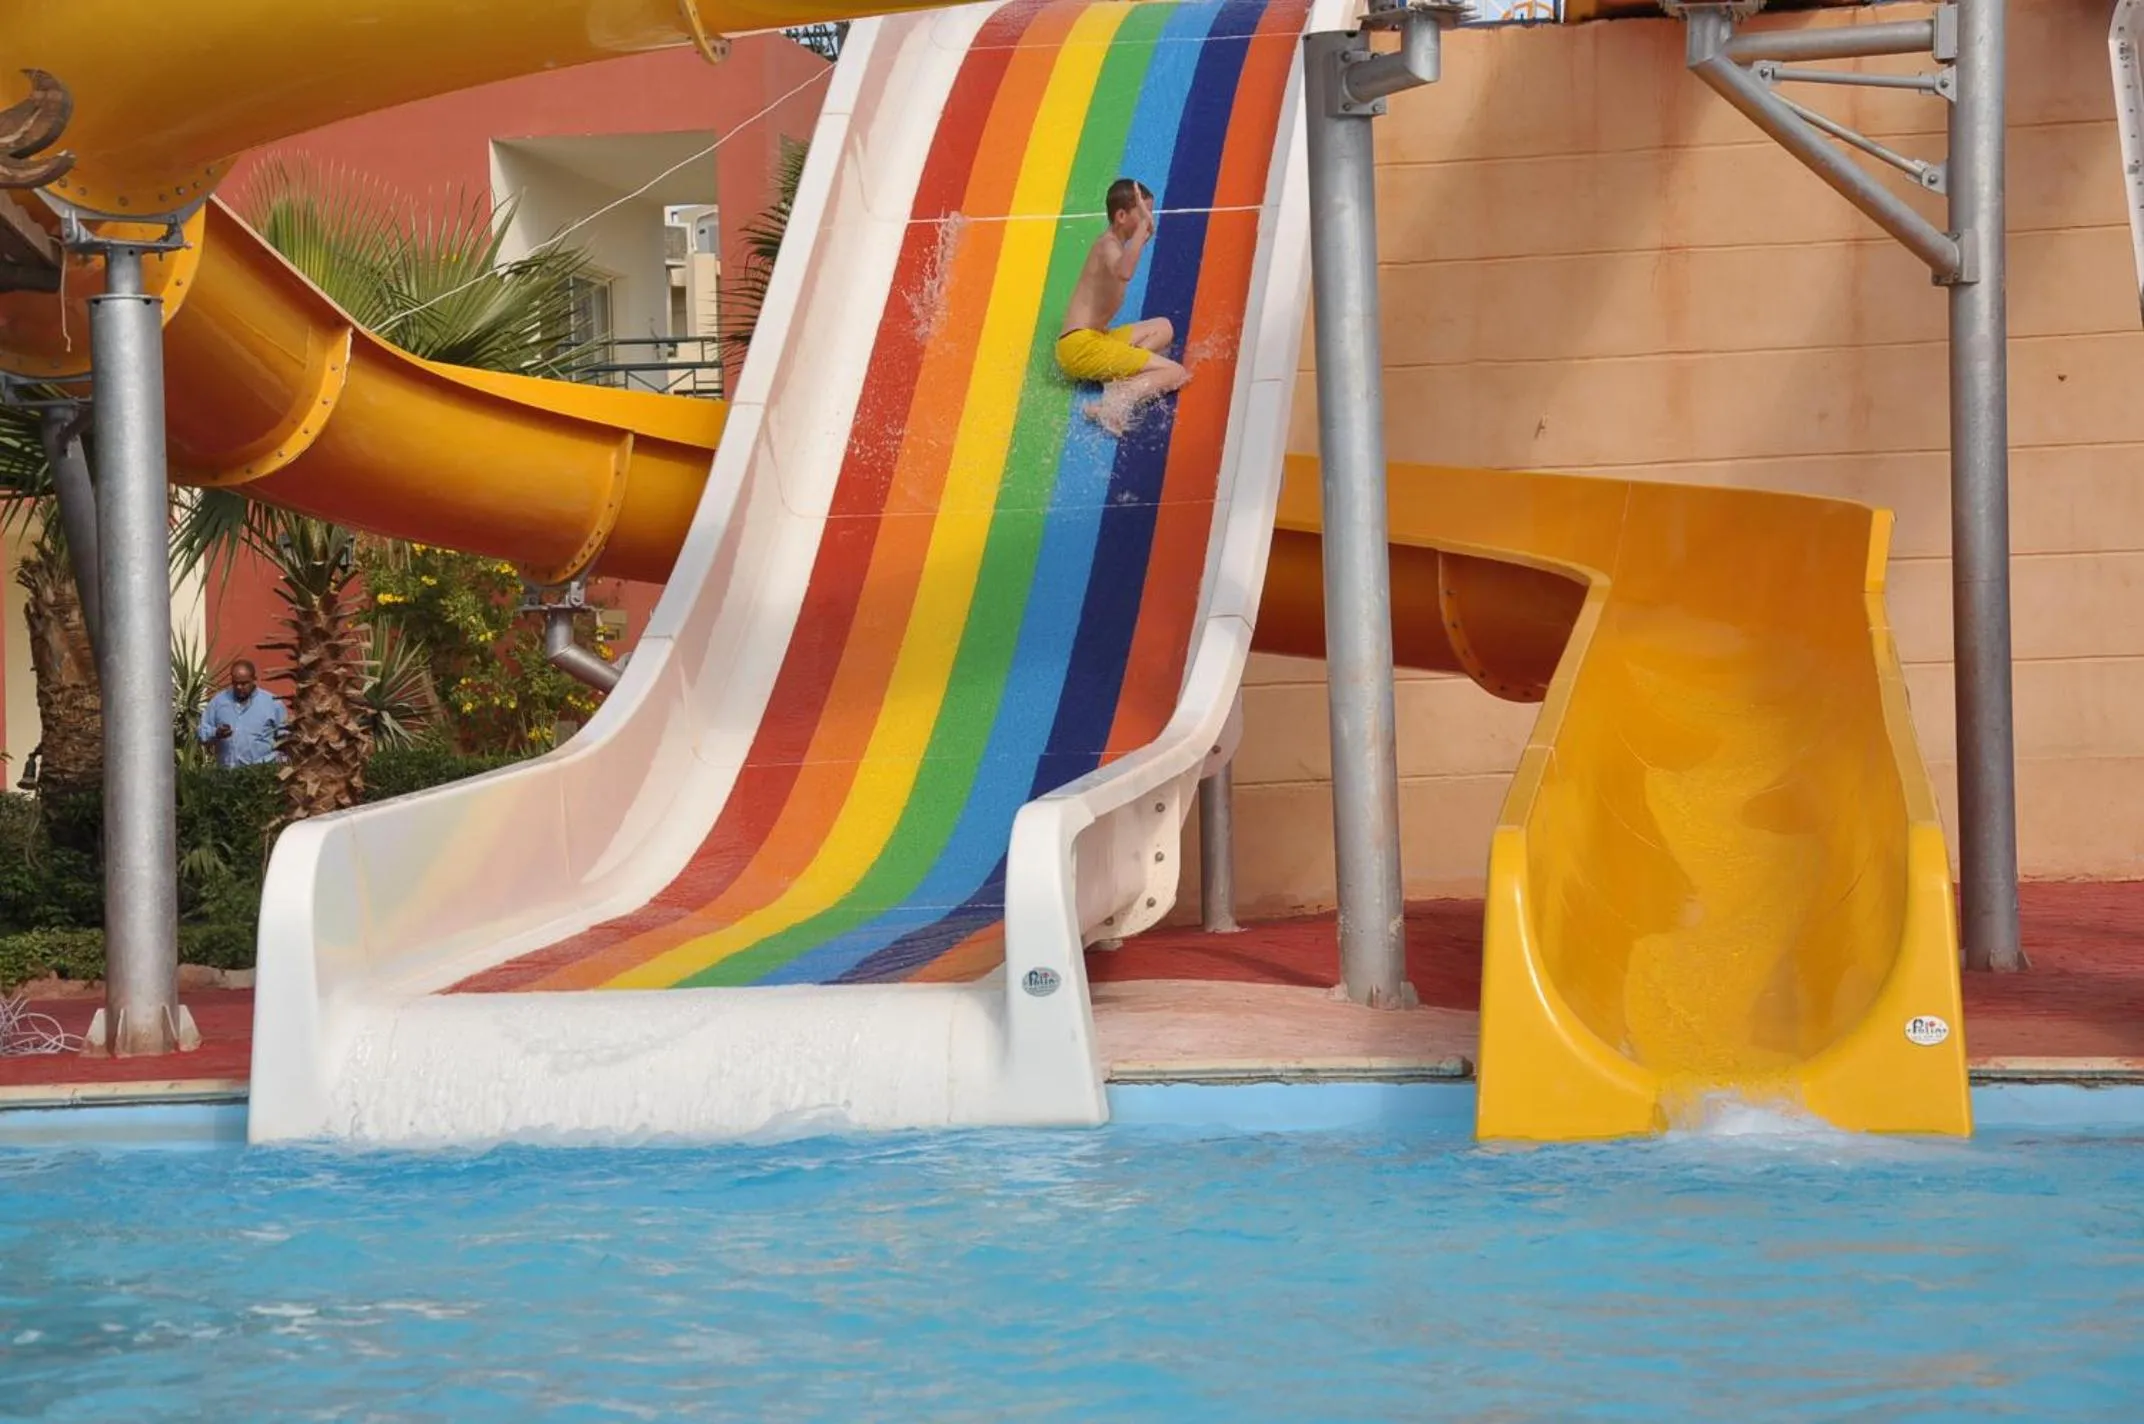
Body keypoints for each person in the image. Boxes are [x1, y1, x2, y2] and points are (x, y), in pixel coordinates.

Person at [1054, 177, 1189, 436]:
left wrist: (1143, 229)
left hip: (1095, 339)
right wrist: (1140, 233)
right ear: (1121, 216)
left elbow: (1131, 255)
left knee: (1163, 327)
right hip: (1079, 348)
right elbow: (1124, 271)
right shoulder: (1107, 246)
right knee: (1176, 372)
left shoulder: (1115, 244)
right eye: (1144, 214)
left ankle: (1121, 379)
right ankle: (1115, 403)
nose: (1149, 220)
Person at [197, 659, 285, 769]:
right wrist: (216, 733)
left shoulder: (273, 703)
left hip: (262, 773)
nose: (239, 687)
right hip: (228, 775)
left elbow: (286, 739)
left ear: (254, 680)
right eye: (235, 683)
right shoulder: (218, 702)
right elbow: (201, 733)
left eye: (244, 683)